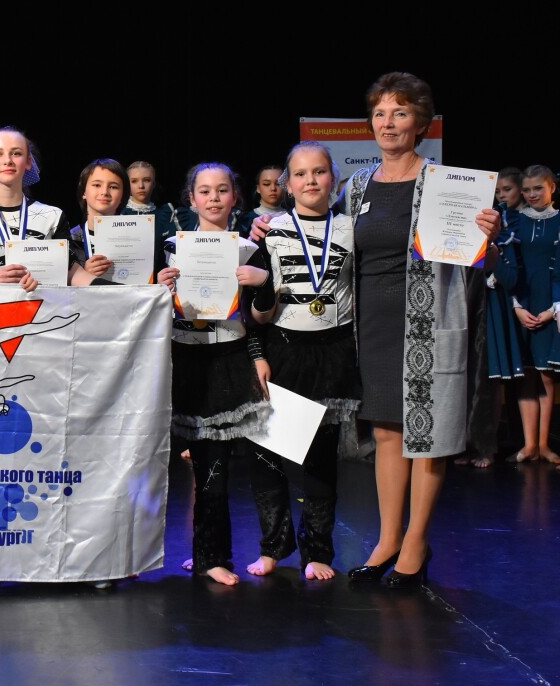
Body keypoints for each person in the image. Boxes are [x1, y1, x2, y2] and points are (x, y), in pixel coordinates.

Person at [336, 72, 500, 588]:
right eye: (380, 113)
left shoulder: (448, 184)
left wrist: (490, 240)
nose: (388, 123)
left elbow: (483, 262)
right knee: (387, 432)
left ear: (421, 123)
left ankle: (415, 543)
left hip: (429, 324)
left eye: (400, 113)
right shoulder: (356, 186)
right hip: (373, 328)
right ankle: (387, 539)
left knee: (427, 435)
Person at [245, 142, 360, 581]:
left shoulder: (352, 228)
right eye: (300, 174)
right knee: (268, 455)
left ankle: (318, 551)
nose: (310, 180)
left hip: (333, 353)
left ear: (333, 179)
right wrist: (258, 354)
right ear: (287, 185)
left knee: (320, 458)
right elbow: (252, 311)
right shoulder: (268, 232)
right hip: (283, 351)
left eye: (319, 172)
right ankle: (273, 547)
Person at [157, 162, 271, 586]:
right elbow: (147, 307)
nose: (213, 198)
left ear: (234, 197)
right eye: (204, 191)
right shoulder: (169, 247)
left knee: (214, 469)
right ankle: (141, 555)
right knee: (160, 468)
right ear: (191, 199)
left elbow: (258, 320)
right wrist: (160, 287)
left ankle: (212, 556)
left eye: (222, 190)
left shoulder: (248, 249)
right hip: (178, 361)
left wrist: (261, 284)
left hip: (226, 361)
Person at [0, 125, 104, 289]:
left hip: (43, 305)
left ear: (28, 162)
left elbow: (73, 273)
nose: (8, 160)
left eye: (16, 153)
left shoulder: (52, 217)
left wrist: (125, 292)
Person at [457, 166, 525, 469]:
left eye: (507, 190)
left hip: (500, 305)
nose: (502, 196)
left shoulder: (512, 224)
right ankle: (465, 442)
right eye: (498, 192)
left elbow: (510, 270)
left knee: (491, 375)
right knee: (470, 375)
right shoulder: (483, 219)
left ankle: (487, 444)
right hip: (475, 300)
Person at [499, 164, 560, 465]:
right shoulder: (514, 221)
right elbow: (510, 266)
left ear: (552, 188)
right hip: (521, 304)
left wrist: (553, 310)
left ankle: (544, 444)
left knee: (547, 376)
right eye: (527, 190)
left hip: (551, 306)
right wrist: (517, 306)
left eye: (538, 188)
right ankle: (529, 444)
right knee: (525, 375)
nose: (532, 194)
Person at [68, 158, 131, 280]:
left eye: (113, 187)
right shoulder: (70, 240)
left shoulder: (137, 237)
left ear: (123, 196)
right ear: (84, 192)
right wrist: (82, 275)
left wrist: (159, 282)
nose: (104, 192)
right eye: (97, 185)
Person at [237, 164, 288, 237]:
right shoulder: (245, 221)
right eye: (266, 184)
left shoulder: (294, 217)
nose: (273, 188)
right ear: (258, 188)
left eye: (278, 184)